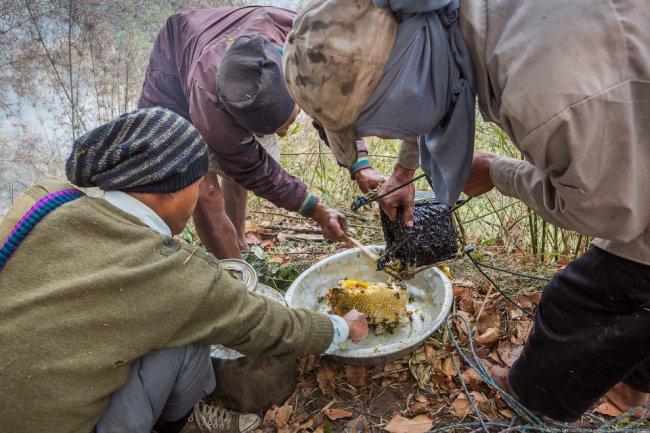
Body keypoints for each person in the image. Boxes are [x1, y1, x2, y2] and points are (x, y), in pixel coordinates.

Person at [283, 0, 650, 422]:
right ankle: (628, 389)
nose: (376, 135)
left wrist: (498, 172)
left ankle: (532, 399)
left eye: (370, 124)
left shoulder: (543, 86)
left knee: (578, 302)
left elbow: (609, 212)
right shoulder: (451, 21)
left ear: (397, 85)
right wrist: (404, 169)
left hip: (621, 166)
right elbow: (430, 92)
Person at [0, 108, 368, 433]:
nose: (200, 195)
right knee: (190, 334)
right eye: (199, 184)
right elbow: (272, 328)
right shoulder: (175, 274)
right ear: (170, 192)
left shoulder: (45, 198)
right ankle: (175, 422)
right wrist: (343, 327)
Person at [138, 6, 386, 259]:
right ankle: (238, 275)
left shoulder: (307, 43)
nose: (283, 135)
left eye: (287, 122)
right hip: (174, 70)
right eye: (278, 128)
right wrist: (317, 211)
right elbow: (253, 169)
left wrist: (359, 163)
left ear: (295, 83)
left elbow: (330, 107)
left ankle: (240, 241)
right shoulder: (213, 113)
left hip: (234, 42)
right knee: (204, 190)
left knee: (235, 174)